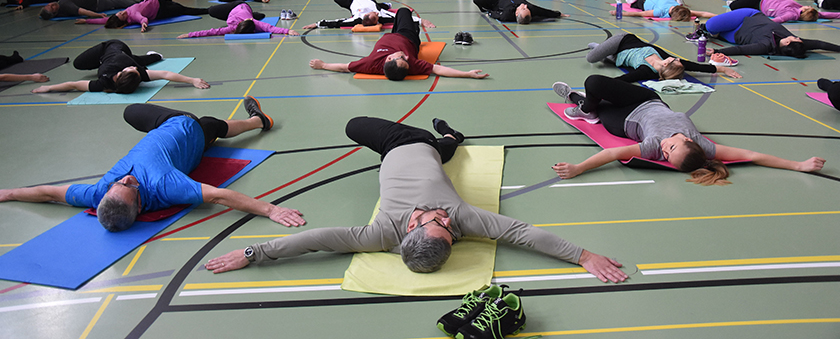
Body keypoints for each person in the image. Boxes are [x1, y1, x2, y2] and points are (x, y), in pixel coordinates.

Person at [204, 116, 627, 283]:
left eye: (441, 225)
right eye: (447, 227)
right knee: (441, 147)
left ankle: (448, 137)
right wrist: (583, 255)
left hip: (397, 144)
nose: (447, 219)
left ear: (408, 229)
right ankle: (449, 136)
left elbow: (316, 239)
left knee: (354, 126)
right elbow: (523, 233)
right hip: (419, 147)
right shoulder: (460, 219)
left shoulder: (379, 234)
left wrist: (255, 251)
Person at [0, 100, 305, 232]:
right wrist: (271, 210)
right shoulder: (166, 186)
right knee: (211, 127)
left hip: (165, 133)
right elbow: (220, 196)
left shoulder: (98, 194)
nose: (126, 179)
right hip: (184, 126)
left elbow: (49, 193)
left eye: (117, 184)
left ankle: (254, 121)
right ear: (142, 205)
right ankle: (258, 120)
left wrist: (10, 193)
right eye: (130, 186)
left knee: (131, 112)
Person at [551, 75, 826, 185]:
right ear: (688, 140)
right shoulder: (704, 146)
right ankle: (586, 103)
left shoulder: (653, 146)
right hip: (648, 101)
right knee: (596, 82)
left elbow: (613, 153)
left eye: (666, 155)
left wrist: (579, 168)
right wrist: (798, 165)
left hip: (625, 120)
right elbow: (752, 154)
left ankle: (580, 103)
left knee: (599, 102)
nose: (663, 149)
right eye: (671, 148)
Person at [309, 8, 488, 80]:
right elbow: (437, 70)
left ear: (387, 61)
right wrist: (467, 74)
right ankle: (415, 26)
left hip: (394, 34)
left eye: (400, 57)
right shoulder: (411, 64)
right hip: (407, 36)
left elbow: (344, 67)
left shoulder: (371, 65)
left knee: (398, 21)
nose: (406, 56)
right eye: (404, 58)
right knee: (403, 11)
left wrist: (323, 65)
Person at [30, 39, 209, 94]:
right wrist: (192, 80)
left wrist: (48, 88)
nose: (133, 69)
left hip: (117, 52)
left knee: (136, 61)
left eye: (132, 70)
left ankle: (149, 57)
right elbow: (164, 74)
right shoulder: (133, 71)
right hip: (109, 47)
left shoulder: (105, 82)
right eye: (132, 69)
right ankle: (153, 56)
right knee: (78, 64)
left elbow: (74, 85)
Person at [585, 33, 741, 81]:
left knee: (603, 59)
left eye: (675, 61)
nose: (678, 59)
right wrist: (722, 69)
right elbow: (697, 66)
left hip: (619, 56)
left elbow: (622, 80)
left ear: (667, 65)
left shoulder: (646, 71)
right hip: (624, 40)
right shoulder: (667, 58)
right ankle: (601, 48)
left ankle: (600, 48)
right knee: (591, 58)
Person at [702, 9, 840, 58]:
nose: (796, 37)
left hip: (735, 34)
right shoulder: (798, 44)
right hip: (749, 16)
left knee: (709, 28)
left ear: (787, 43)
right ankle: (717, 25)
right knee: (711, 25)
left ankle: (712, 29)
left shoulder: (764, 46)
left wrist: (716, 50)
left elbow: (740, 49)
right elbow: (820, 44)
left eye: (795, 38)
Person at [302, 0, 434, 29]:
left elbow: (337, 22)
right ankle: (383, 4)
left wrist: (316, 24)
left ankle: (382, 4)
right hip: (357, 0)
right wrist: (422, 21)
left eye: (376, 16)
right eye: (376, 15)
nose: (377, 14)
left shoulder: (357, 19)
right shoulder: (380, 14)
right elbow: (400, 17)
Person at [75, 0, 209, 32]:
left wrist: (86, 21)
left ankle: (171, 3)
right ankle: (208, 10)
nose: (121, 12)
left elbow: (103, 21)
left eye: (118, 13)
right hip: (160, 9)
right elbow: (142, 18)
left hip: (156, 0)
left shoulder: (126, 13)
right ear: (124, 21)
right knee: (183, 10)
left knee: (177, 7)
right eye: (121, 15)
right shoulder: (133, 14)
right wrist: (144, 25)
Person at [178, 1, 299, 38]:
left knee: (258, 17)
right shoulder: (232, 27)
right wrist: (189, 34)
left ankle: (256, 14)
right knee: (211, 11)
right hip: (235, 6)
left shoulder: (254, 23)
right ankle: (256, 14)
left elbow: (270, 28)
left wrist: (288, 31)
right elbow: (212, 31)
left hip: (242, 9)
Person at [728, 0, 840, 23]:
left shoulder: (791, 14)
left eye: (806, 7)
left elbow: (779, 20)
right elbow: (829, 14)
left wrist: (760, 23)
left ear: (804, 11)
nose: (806, 5)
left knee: (733, 6)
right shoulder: (810, 13)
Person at [473, 0, 566, 24]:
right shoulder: (531, 8)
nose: (525, 5)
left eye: (523, 8)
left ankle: (485, 7)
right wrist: (558, 14)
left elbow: (497, 16)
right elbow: (543, 12)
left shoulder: (507, 15)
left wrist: (490, 13)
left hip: (497, 3)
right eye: (526, 8)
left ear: (517, 13)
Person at [619, 0, 713, 21]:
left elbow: (702, 13)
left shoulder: (674, 8)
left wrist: (719, 16)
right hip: (644, 1)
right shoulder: (660, 11)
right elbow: (640, 14)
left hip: (658, 1)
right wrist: (619, 13)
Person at [38, 0, 136, 20]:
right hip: (97, 0)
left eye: (49, 5)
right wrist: (98, 15)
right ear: (55, 13)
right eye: (51, 7)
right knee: (120, 3)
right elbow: (82, 11)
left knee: (114, 2)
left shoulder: (60, 5)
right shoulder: (65, 6)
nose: (51, 4)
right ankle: (137, 3)